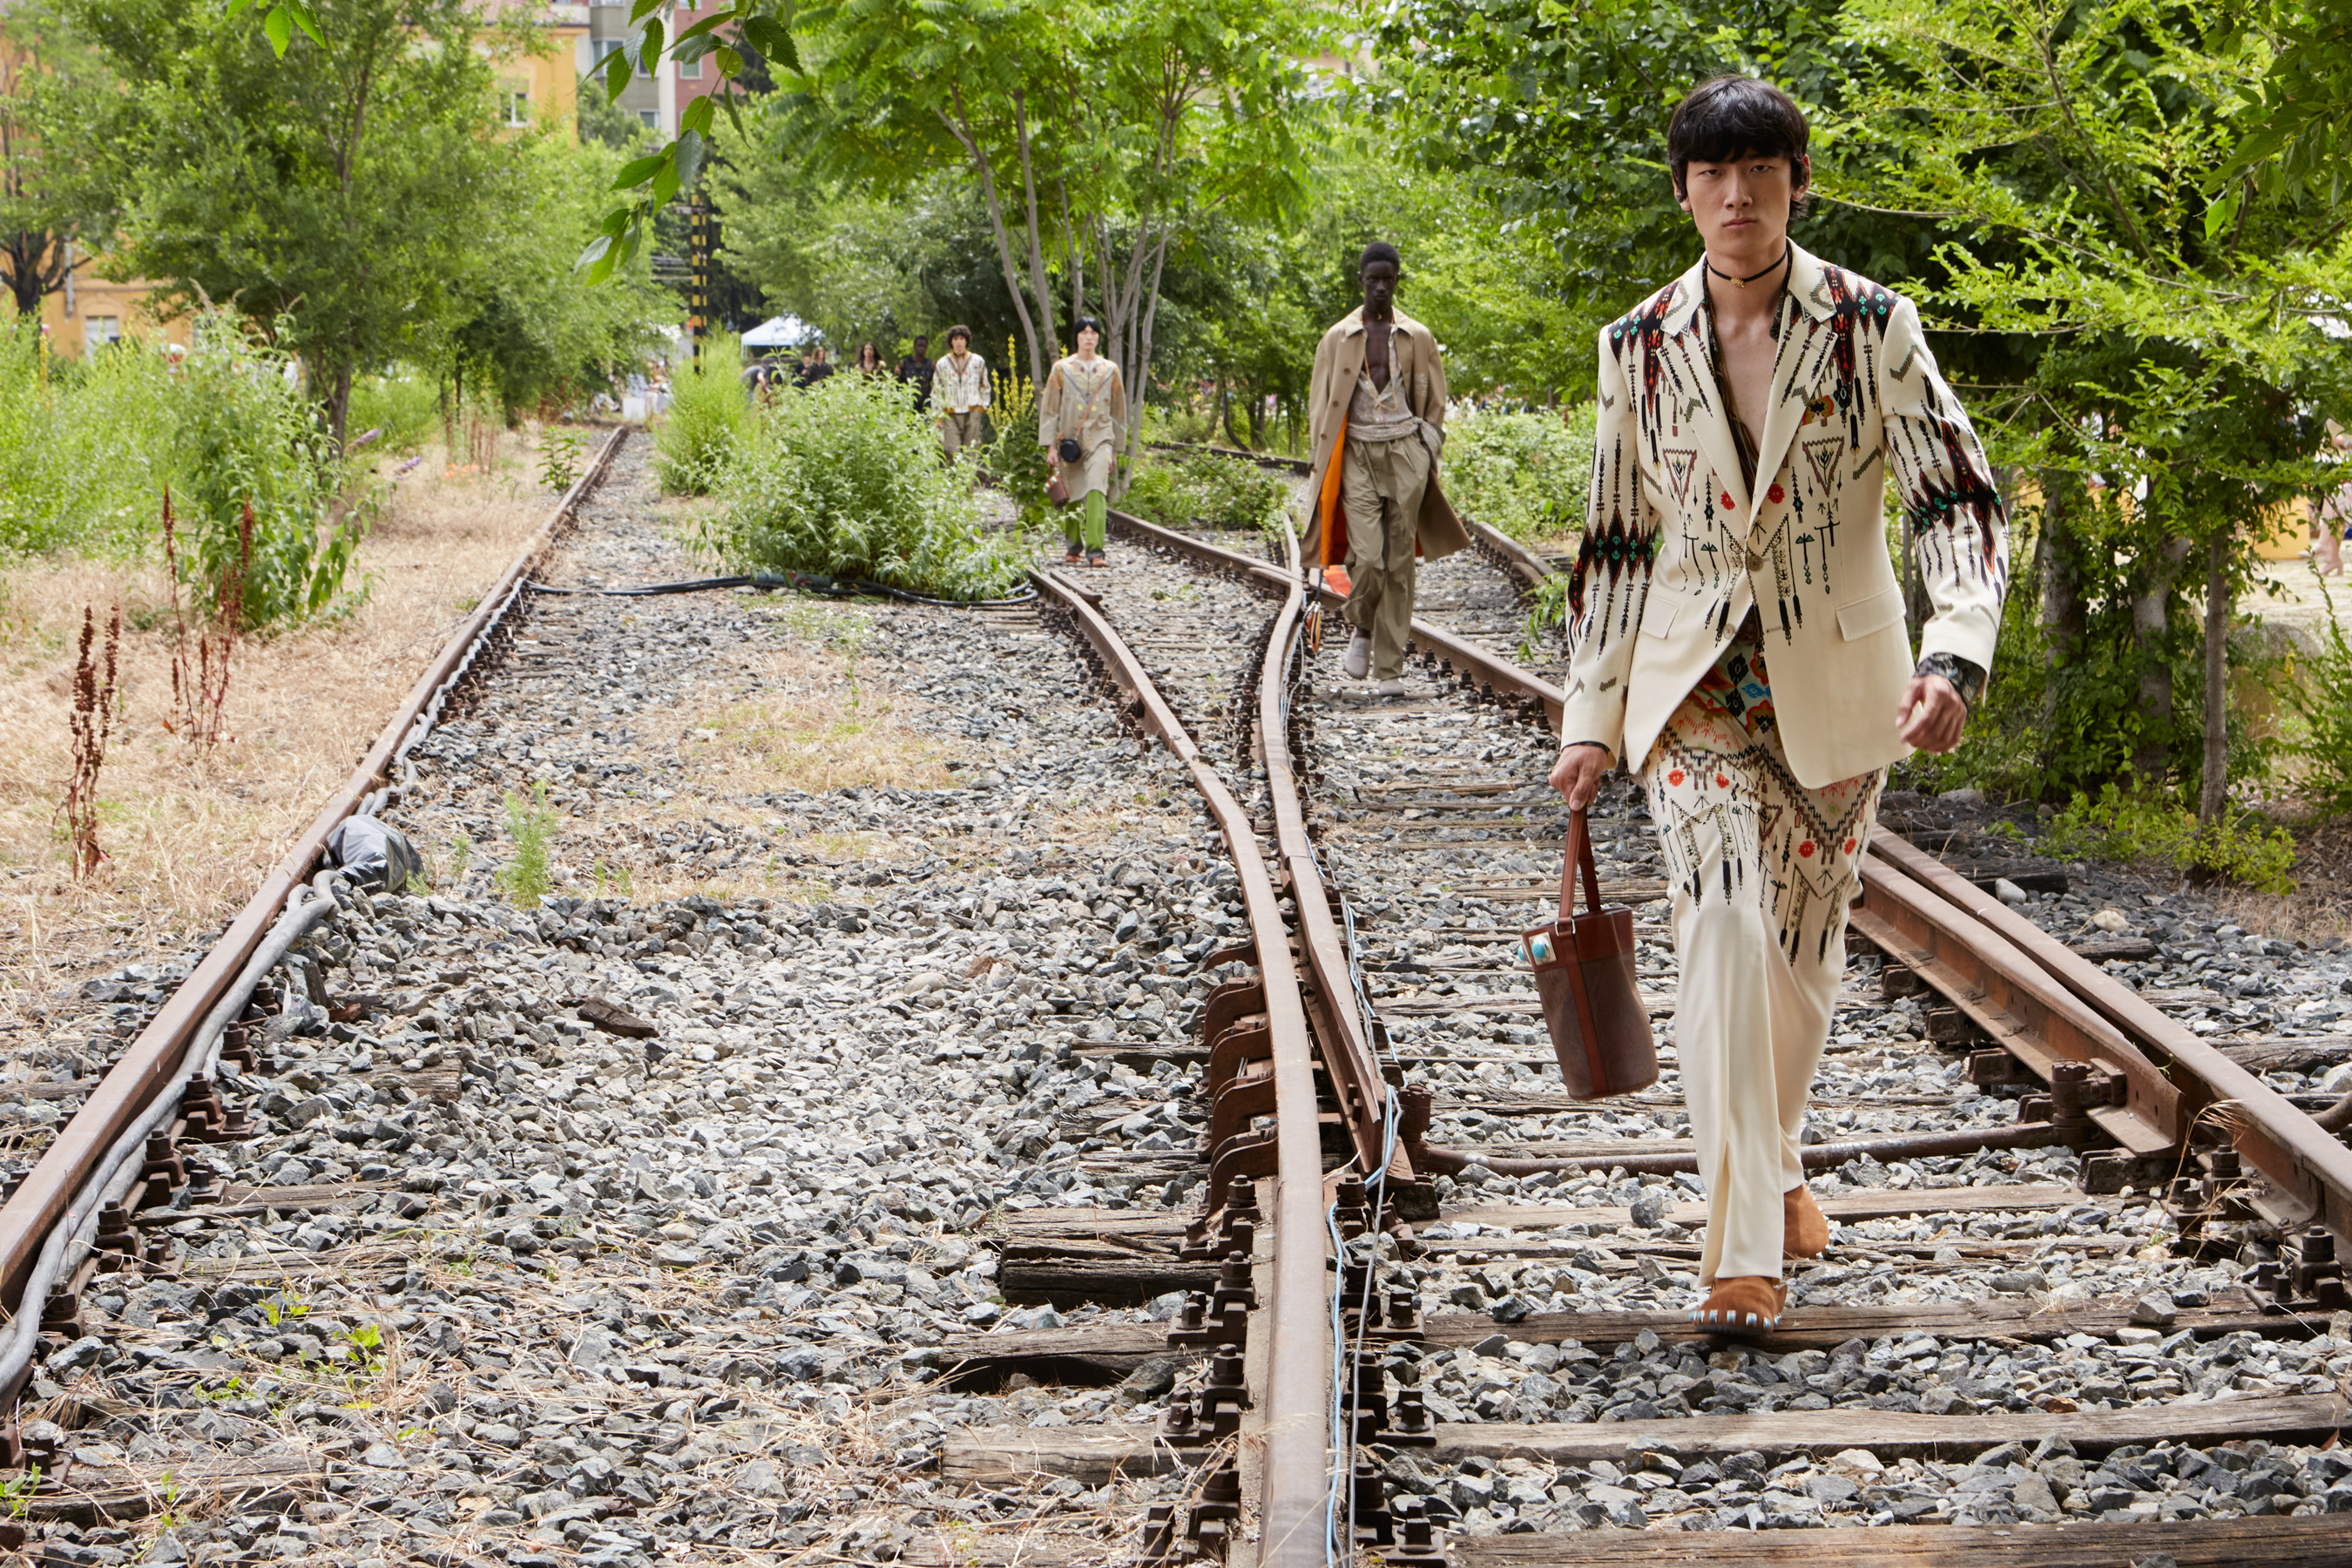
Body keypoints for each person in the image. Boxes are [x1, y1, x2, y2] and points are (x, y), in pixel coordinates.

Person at [1548, 76, 2008, 1338]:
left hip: (1841, 689)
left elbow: (1955, 500)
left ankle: (1783, 1160)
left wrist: (1956, 653)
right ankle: (1741, 1246)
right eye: (1713, 173)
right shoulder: (1635, 347)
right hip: (1689, 691)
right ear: (1685, 189)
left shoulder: (1873, 327)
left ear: (1797, 181)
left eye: (1762, 170)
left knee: (1801, 964)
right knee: (1724, 934)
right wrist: (1592, 715)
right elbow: (1616, 542)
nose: (1738, 195)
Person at [1302, 243, 1470, 697]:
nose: (1380, 287)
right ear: (1361, 281)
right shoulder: (1337, 338)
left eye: (1388, 280)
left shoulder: (1417, 336)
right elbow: (1321, 405)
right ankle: (1361, 628)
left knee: (1400, 563)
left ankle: (1391, 672)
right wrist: (1320, 462)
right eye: (1372, 279)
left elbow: (1436, 401)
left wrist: (1425, 446)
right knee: (1369, 557)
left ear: (1396, 281)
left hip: (1404, 455)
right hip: (1355, 453)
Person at [1037, 317, 1127, 566]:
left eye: (1093, 332)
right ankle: (1073, 547)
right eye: (1084, 332)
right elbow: (1049, 410)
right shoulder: (1061, 369)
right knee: (1073, 490)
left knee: (1097, 487)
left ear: (1099, 337)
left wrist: (1115, 450)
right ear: (1076, 337)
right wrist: (1050, 447)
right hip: (1069, 439)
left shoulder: (1111, 370)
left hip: (1101, 437)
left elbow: (1119, 412)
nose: (1089, 336)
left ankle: (1096, 551)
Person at [934, 326, 990, 460]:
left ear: (966, 341)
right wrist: (937, 416)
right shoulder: (942, 364)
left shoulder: (978, 361)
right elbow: (936, 390)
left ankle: (970, 482)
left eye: (961, 338)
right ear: (951, 342)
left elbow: (985, 386)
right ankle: (955, 481)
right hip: (950, 413)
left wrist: (981, 407)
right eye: (955, 339)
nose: (959, 342)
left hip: (972, 411)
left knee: (971, 453)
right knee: (953, 454)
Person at [896, 335, 935, 413]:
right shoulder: (905, 364)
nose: (921, 348)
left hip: (925, 406)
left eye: (924, 346)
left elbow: (936, 385)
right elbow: (897, 384)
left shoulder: (930, 365)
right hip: (908, 404)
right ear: (914, 347)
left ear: (926, 348)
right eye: (919, 345)